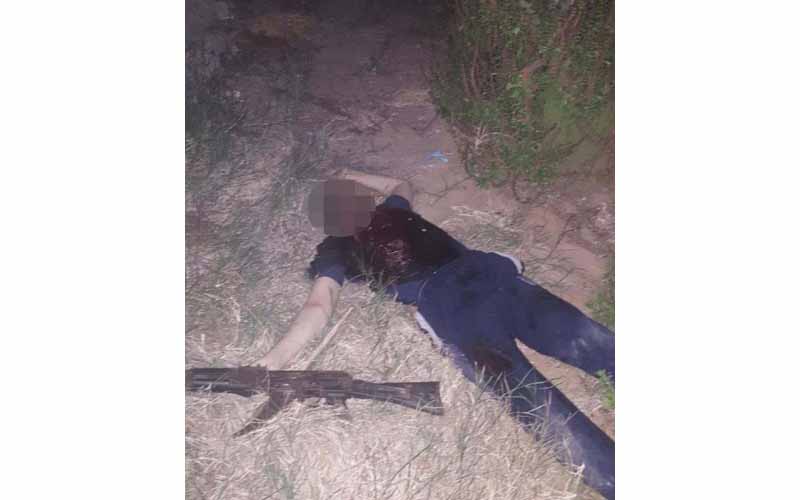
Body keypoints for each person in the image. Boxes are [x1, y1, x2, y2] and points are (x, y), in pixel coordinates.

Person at [256, 169, 615, 499]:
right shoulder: (340, 244)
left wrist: (351, 173)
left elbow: (400, 184)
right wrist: (274, 360)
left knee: (578, 354)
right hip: (457, 300)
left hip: (484, 278)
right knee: (540, 394)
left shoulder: (387, 212)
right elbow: (320, 304)